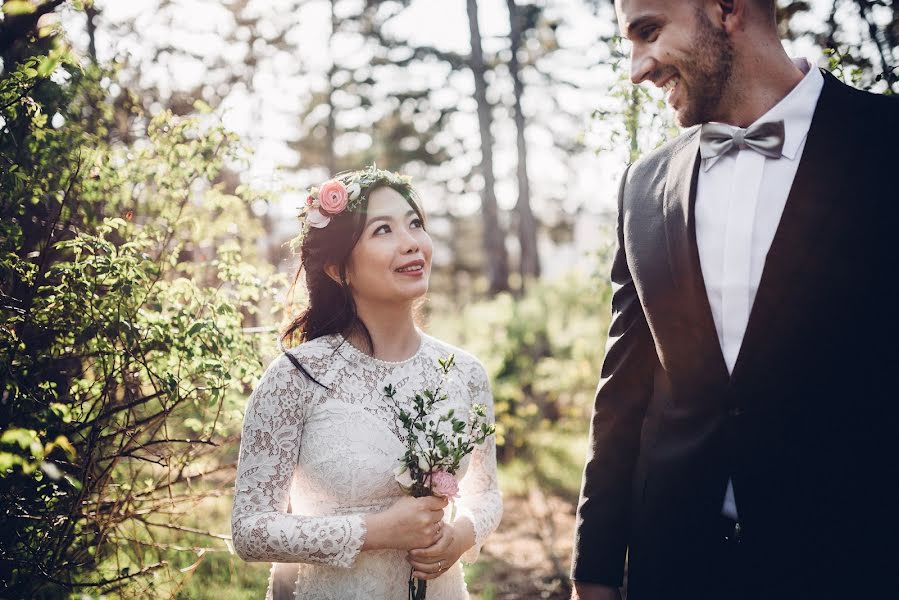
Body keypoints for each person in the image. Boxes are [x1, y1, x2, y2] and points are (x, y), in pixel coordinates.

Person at [571, 1, 899, 599]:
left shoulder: (886, 143)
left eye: (649, 32)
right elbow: (623, 390)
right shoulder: (642, 186)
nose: (636, 68)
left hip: (852, 560)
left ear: (725, 9)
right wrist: (593, 568)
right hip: (676, 565)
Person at [231, 166, 502, 599]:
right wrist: (375, 531)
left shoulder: (465, 372)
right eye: (383, 230)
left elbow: (486, 495)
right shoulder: (296, 377)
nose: (411, 241)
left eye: (415, 224)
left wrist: (462, 535)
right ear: (339, 269)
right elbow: (249, 530)